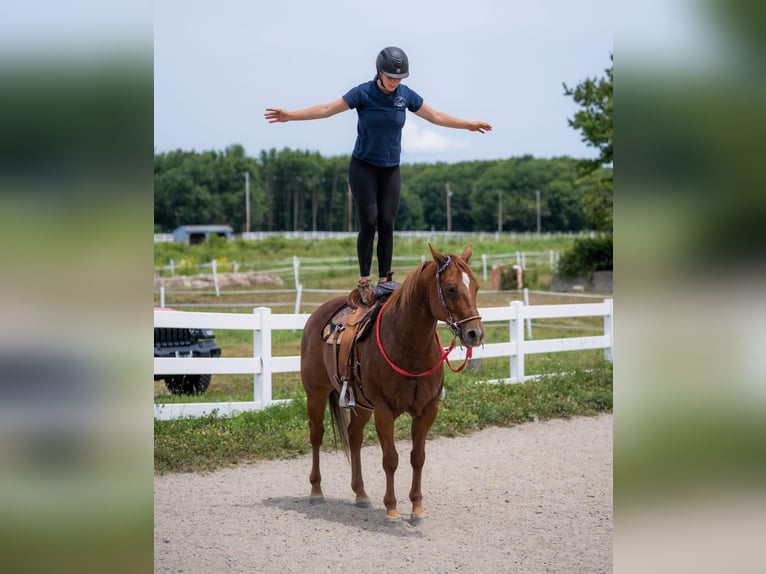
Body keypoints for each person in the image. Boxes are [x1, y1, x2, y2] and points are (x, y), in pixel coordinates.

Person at [265, 46, 492, 305]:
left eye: (399, 78)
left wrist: (469, 125)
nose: (395, 82)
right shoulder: (362, 93)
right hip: (363, 167)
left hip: (390, 168)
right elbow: (327, 109)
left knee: (387, 223)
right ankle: (364, 280)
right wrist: (290, 116)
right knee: (370, 221)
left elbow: (436, 116)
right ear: (379, 73)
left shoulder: (405, 96)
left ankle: (385, 279)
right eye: (391, 77)